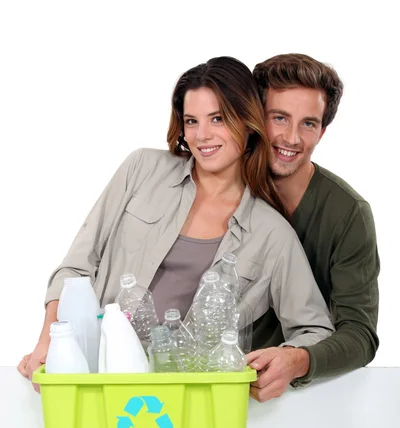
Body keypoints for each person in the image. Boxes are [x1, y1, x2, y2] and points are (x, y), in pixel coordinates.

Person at [17, 56, 334, 391]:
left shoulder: (273, 235)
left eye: (218, 118)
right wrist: (49, 341)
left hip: (192, 397)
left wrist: (287, 361)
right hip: (97, 379)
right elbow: (75, 269)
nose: (202, 135)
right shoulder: (142, 170)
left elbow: (314, 330)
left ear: (247, 121)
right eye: (191, 121)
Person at [247, 53, 379, 401]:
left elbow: (361, 335)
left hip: (300, 401)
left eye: (308, 123)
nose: (291, 138)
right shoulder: (220, 188)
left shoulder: (348, 214)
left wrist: (298, 361)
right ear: (256, 117)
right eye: (279, 118)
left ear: (322, 130)